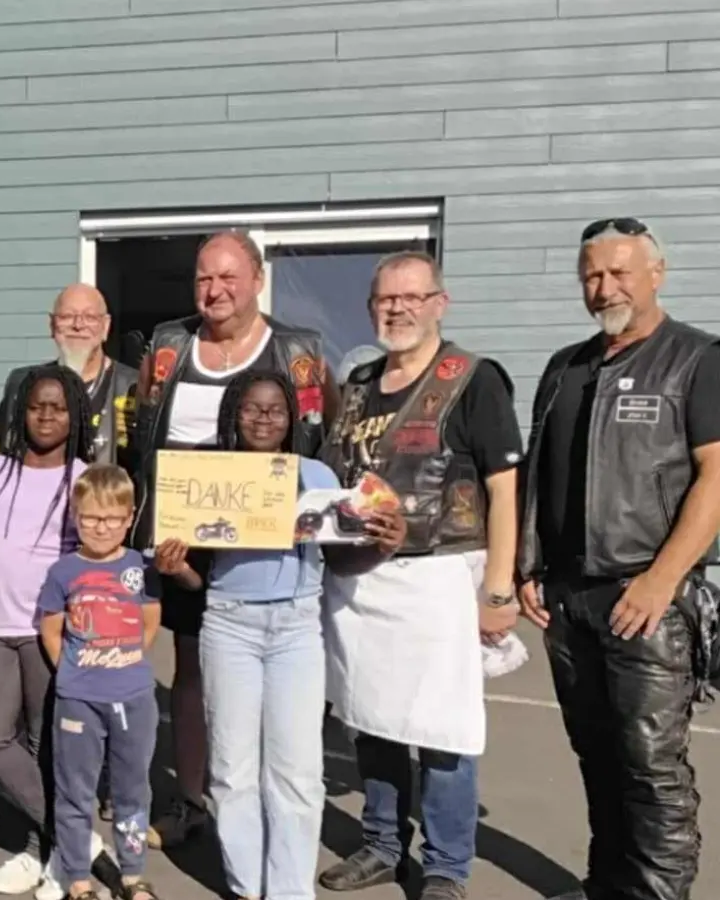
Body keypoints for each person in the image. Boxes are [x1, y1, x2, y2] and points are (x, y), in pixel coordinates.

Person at [518, 217, 720, 900]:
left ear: (656, 273)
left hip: (646, 598)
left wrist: (663, 580)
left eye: (618, 273)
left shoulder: (696, 359)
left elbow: (716, 477)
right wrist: (529, 565)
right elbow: (540, 475)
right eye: (591, 276)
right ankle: (607, 886)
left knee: (650, 768)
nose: (604, 288)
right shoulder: (565, 367)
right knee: (598, 759)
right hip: (569, 599)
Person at [318, 251, 524, 900]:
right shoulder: (357, 385)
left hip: (439, 578)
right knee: (371, 720)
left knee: (442, 730)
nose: (398, 308)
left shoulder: (473, 379)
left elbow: (505, 488)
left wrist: (499, 587)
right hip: (362, 583)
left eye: (412, 296)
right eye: (386, 298)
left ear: (440, 302)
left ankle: (445, 866)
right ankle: (382, 843)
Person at [154, 370, 404, 900]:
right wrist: (176, 570)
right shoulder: (209, 476)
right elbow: (197, 575)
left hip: (296, 627)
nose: (263, 418)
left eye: (274, 409)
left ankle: (290, 891)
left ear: (291, 417)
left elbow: (340, 558)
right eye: (251, 408)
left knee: (297, 770)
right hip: (229, 623)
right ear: (233, 414)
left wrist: (381, 545)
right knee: (231, 767)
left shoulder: (313, 475)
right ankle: (248, 885)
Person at [128, 230, 337, 847]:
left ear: (256, 280)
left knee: (275, 685)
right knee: (191, 672)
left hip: (267, 551)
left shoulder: (298, 351)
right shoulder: (169, 345)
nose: (213, 291)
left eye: (227, 278)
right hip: (186, 541)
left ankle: (269, 810)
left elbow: (317, 446)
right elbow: (144, 438)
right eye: (203, 279)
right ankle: (195, 800)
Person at [0, 364, 105, 900]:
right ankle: (76, 838)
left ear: (75, 415)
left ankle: (43, 856)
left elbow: (95, 560)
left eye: (58, 407)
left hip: (51, 632)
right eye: (36, 405)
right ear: (21, 410)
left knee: (46, 747)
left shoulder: (83, 477)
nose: (45, 415)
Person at [37, 464, 161, 900]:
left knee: (132, 790)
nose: (101, 527)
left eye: (111, 518)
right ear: (76, 517)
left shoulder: (140, 567)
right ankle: (77, 878)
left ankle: (132, 874)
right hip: (78, 701)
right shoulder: (63, 571)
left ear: (129, 518)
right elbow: (51, 631)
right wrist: (74, 672)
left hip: (134, 697)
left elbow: (149, 625)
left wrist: (122, 665)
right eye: (90, 517)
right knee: (75, 793)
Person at [0, 284, 140, 468]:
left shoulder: (134, 387)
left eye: (90, 317)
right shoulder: (24, 384)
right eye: (67, 317)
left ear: (106, 326)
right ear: (52, 325)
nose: (78, 325)